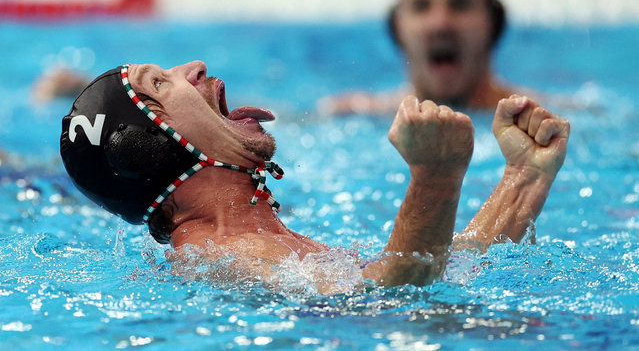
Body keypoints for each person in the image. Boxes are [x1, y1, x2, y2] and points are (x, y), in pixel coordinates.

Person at [60, 61, 569, 293]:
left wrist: (523, 177)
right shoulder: (226, 257)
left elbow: (439, 268)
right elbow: (394, 300)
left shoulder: (259, 239)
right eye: (161, 83)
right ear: (149, 147)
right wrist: (434, 177)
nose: (193, 68)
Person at [321, 0, 522, 115]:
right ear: (397, 27)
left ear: (493, 23)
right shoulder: (349, 115)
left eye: (459, 4)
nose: (440, 24)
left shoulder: (538, 120)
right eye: (421, 6)